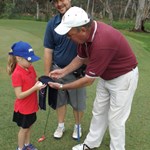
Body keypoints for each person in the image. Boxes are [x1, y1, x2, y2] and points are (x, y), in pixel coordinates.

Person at [48, 6, 139, 150]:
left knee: (115, 120)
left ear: (82, 30)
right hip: (106, 76)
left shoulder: (101, 42)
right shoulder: (84, 38)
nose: (67, 37)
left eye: (69, 34)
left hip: (123, 78)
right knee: (98, 111)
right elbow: (81, 58)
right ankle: (90, 144)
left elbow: (88, 80)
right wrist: (63, 72)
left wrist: (62, 87)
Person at [43, 0, 86, 139]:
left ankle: (77, 126)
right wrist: (46, 75)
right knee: (59, 101)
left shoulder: (81, 18)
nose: (59, 4)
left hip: (77, 72)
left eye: (62, 0)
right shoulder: (52, 24)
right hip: (57, 70)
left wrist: (86, 68)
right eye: (55, 1)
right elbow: (48, 50)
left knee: (78, 103)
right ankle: (60, 125)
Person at [7, 41, 46, 150]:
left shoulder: (30, 68)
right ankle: (20, 148)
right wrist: (35, 88)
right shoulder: (17, 74)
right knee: (23, 129)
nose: (31, 62)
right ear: (18, 58)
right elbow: (19, 95)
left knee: (29, 126)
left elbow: (34, 80)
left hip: (32, 106)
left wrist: (42, 81)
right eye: (29, 60)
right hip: (23, 108)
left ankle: (27, 145)